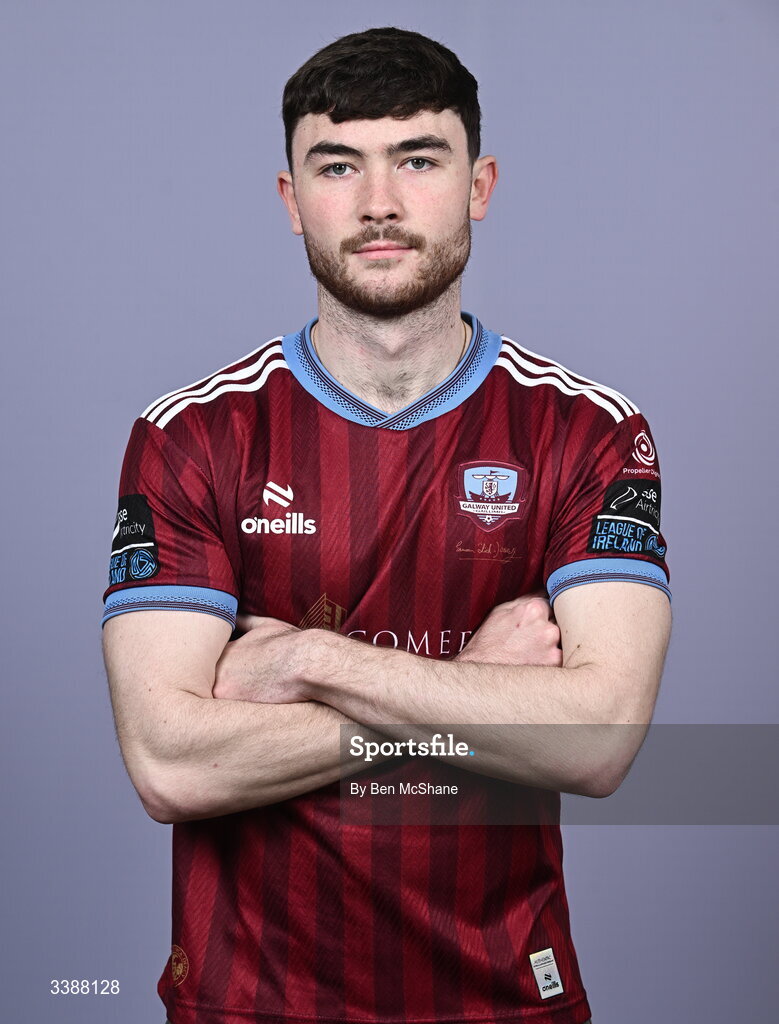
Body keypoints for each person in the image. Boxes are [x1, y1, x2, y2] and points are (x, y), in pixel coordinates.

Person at [102, 26, 670, 1024]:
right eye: (337, 165)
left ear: (478, 184)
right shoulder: (190, 434)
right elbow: (169, 763)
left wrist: (312, 659)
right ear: (290, 200)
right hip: (249, 1001)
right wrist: (476, 691)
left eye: (417, 159)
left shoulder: (587, 430)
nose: (378, 202)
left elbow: (597, 741)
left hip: (506, 998)